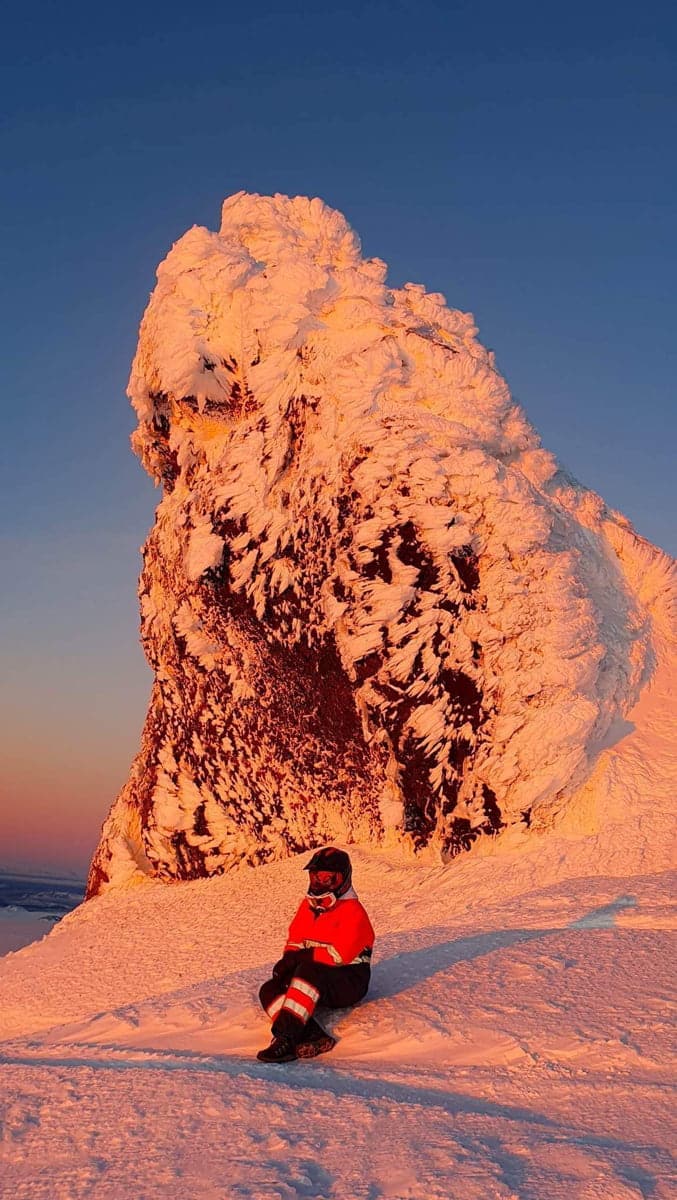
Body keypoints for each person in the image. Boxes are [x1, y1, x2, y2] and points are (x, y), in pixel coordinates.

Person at [257, 847, 375, 1062]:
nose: (319, 884)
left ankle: (286, 1039)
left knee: (308, 971)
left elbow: (338, 955)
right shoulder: (308, 906)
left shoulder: (353, 912)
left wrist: (300, 959)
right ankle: (312, 1034)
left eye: (328, 878)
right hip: (318, 978)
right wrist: (287, 961)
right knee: (269, 989)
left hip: (349, 981)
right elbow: (295, 940)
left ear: (343, 880)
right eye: (315, 877)